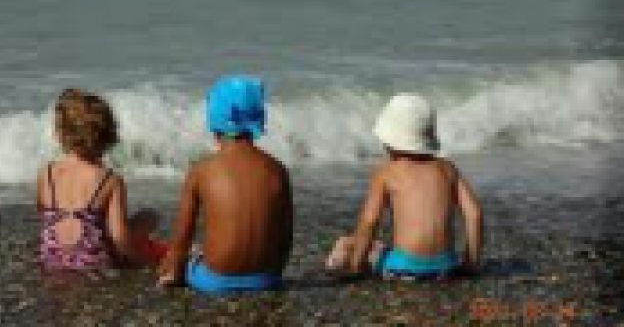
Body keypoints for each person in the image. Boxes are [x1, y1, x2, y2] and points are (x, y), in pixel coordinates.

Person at [157, 76, 293, 293]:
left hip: (215, 280)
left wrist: (172, 267)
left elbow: (181, 241)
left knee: (193, 256)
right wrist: (274, 274)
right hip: (265, 279)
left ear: (214, 120)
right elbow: (285, 238)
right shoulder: (278, 170)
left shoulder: (201, 170)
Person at [325, 93, 483, 279]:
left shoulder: (387, 172)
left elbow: (370, 220)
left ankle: (344, 268)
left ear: (390, 141)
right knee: (380, 247)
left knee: (344, 244)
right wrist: (470, 263)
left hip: (402, 269)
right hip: (446, 267)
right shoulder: (447, 168)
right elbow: (474, 214)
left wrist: (357, 264)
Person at [37, 88, 132, 269]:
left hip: (52, 262)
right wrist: (137, 264)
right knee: (149, 217)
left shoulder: (46, 174)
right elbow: (119, 238)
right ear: (108, 136)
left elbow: (45, 218)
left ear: (60, 134)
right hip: (92, 263)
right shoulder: (109, 180)